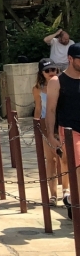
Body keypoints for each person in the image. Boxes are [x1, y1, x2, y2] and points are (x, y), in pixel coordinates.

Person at [45, 44, 80, 210]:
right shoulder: (57, 81)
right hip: (69, 130)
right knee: (79, 165)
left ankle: (72, 200)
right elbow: (50, 110)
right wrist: (51, 135)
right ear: (70, 59)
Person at [34, 58, 62, 204]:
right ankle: (53, 194)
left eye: (53, 69)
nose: (51, 73)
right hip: (46, 123)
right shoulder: (38, 88)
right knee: (50, 160)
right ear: (41, 72)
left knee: (64, 160)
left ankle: (67, 192)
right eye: (47, 70)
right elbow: (38, 109)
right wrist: (37, 127)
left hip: (62, 123)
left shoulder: (61, 83)